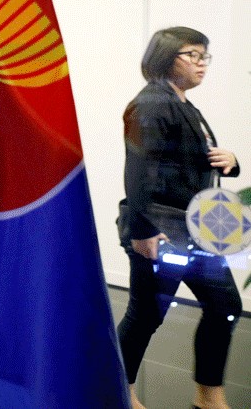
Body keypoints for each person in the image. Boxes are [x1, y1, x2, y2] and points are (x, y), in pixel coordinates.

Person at [117, 27, 242, 409]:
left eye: (205, 55)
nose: (202, 64)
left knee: (224, 307)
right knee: (146, 316)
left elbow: (185, 163)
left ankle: (209, 395)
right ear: (165, 57)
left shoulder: (184, 104)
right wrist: (143, 232)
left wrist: (232, 162)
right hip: (162, 232)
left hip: (193, 229)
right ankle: (118, 392)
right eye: (193, 55)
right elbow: (139, 171)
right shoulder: (152, 103)